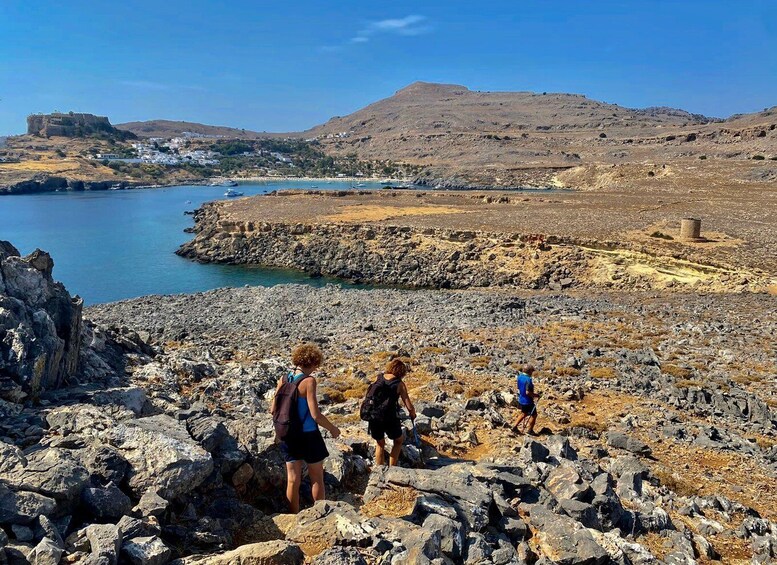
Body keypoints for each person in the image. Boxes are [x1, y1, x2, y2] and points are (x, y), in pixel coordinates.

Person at [270, 343, 341, 514]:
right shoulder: (309, 381)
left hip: (288, 434)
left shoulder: (284, 379)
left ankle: (293, 516)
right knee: (316, 477)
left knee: (293, 479)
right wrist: (332, 428)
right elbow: (315, 414)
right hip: (309, 435)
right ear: (314, 363)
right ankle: (321, 515)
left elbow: (273, 409)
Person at [369, 359, 416, 467]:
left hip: (374, 416)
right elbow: (409, 406)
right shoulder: (400, 384)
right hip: (389, 417)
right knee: (398, 440)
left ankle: (379, 470)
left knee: (380, 443)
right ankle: (392, 469)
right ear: (402, 372)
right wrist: (412, 414)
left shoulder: (379, 377)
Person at [511, 364, 540, 435]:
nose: (532, 373)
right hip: (528, 401)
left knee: (524, 413)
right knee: (534, 415)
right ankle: (530, 430)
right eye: (532, 371)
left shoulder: (519, 377)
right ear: (529, 371)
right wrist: (536, 395)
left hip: (521, 399)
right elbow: (528, 392)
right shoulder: (528, 380)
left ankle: (514, 426)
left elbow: (518, 387)